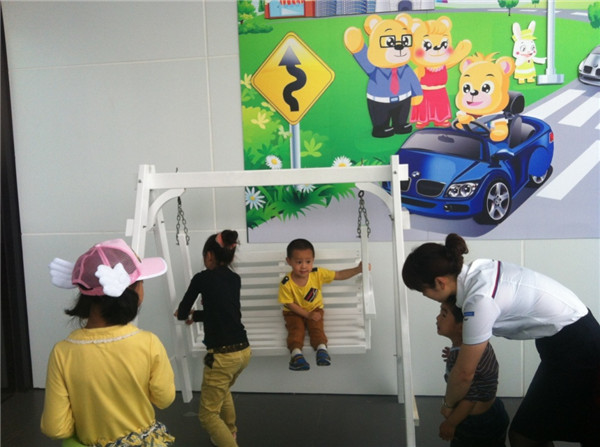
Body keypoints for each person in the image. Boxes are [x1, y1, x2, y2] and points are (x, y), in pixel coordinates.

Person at [402, 233, 600, 447]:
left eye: (422, 291)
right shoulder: (477, 271)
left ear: (439, 282)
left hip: (578, 348)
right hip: (567, 339)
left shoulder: (479, 300)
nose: (424, 296)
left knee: (526, 435)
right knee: (539, 430)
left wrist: (448, 405)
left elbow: (465, 374)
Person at [41, 239, 176, 447]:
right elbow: (164, 399)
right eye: (141, 283)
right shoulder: (149, 343)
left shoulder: (62, 352)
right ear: (134, 292)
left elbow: (55, 427)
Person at [175, 230, 250, 447]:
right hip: (243, 352)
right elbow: (224, 311)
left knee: (207, 415)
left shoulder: (201, 279)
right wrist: (197, 316)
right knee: (223, 390)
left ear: (209, 255)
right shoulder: (235, 279)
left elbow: (182, 312)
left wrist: (185, 314)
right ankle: (230, 432)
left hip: (222, 357)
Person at [279, 238, 364, 371]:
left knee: (316, 327)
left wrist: (358, 269)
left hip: (315, 310)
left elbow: (339, 275)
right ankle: (296, 355)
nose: (304, 266)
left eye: (308, 261)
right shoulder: (286, 282)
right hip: (293, 312)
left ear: (313, 260)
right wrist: (307, 315)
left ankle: (321, 350)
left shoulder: (317, 273)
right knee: (296, 329)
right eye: (299, 262)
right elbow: (289, 304)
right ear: (289, 261)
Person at [436, 295, 509, 446]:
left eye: (444, 314)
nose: (437, 318)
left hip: (474, 423)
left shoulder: (461, 363)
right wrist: (453, 354)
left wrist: (450, 423)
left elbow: (469, 399)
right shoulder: (478, 344)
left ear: (462, 326)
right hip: (494, 410)